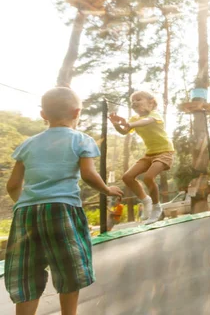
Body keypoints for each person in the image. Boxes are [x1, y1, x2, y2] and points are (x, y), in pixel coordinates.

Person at [4, 87, 123, 315]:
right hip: (62, 209)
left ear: (43, 115)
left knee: (27, 272)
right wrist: (108, 190)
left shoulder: (27, 144)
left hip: (26, 212)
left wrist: (26, 203)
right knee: (69, 268)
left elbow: (12, 185)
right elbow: (88, 174)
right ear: (77, 112)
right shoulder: (81, 139)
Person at [109, 91, 174, 225]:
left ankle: (157, 208)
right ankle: (146, 200)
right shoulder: (133, 119)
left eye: (138, 99)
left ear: (151, 102)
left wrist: (130, 124)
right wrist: (116, 124)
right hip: (149, 153)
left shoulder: (154, 115)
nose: (134, 103)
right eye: (132, 101)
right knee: (127, 177)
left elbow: (146, 122)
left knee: (148, 177)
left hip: (164, 151)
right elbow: (124, 132)